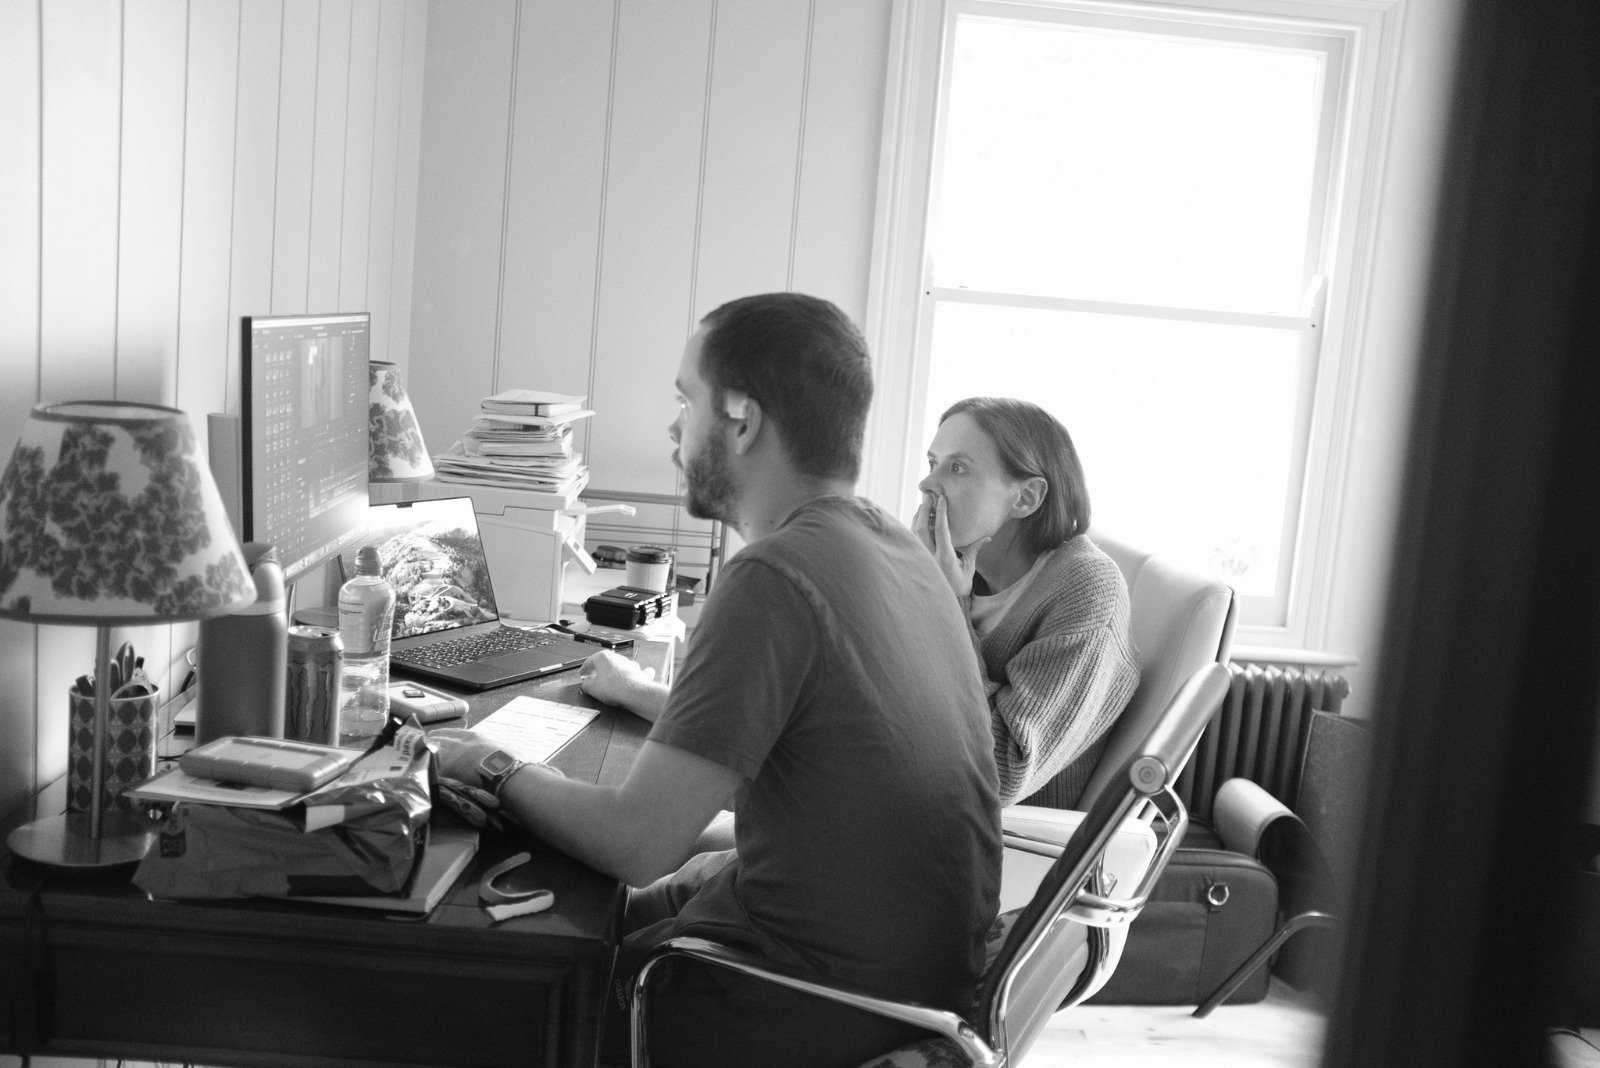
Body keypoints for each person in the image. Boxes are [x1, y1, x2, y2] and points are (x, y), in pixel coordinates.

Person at [431, 293, 1001, 1067]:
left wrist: (488, 763)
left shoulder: (774, 575)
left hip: (814, 1007)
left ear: (740, 417)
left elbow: (638, 843)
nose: (674, 427)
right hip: (919, 988)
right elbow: (817, 759)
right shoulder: (898, 550)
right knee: (576, 901)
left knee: (482, 989)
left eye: (684, 400)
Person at [913, 396, 1139, 808]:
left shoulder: (1087, 589)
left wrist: (944, 606)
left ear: (1026, 497)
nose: (927, 485)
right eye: (933, 464)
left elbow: (1000, 770)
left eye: (957, 468)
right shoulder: (956, 565)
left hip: (993, 838)